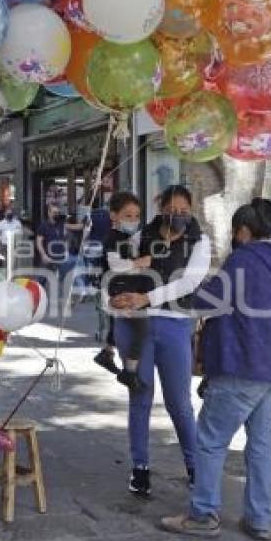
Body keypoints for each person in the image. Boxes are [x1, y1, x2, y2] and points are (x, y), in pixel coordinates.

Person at [160, 199, 271, 540]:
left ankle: (203, 514)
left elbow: (208, 300)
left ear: (243, 231)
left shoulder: (243, 260)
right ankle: (259, 519)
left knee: (210, 441)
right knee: (261, 445)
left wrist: (185, 291)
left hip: (241, 362)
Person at [110, 185, 212, 497]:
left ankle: (195, 466)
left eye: (184, 210)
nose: (179, 215)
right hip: (135, 325)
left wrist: (147, 298)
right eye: (173, 210)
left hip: (175, 325)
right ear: (161, 207)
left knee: (179, 402)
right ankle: (140, 468)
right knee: (139, 397)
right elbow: (118, 269)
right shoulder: (142, 235)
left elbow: (189, 282)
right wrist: (119, 298)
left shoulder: (200, 241)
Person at [94, 192, 152, 390]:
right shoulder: (112, 238)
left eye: (137, 216)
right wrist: (138, 262)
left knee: (131, 326)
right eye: (128, 216)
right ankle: (130, 370)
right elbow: (115, 264)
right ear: (114, 216)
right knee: (142, 327)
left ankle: (108, 353)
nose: (133, 220)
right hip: (118, 290)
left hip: (127, 288)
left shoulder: (130, 237)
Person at [36, 204, 78, 294]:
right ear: (49, 213)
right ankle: (37, 298)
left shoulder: (61, 224)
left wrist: (86, 222)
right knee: (40, 281)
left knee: (65, 279)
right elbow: (39, 242)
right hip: (48, 258)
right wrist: (43, 255)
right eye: (54, 212)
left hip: (61, 258)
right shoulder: (44, 226)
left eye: (58, 212)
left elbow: (76, 227)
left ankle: (66, 299)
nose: (56, 214)